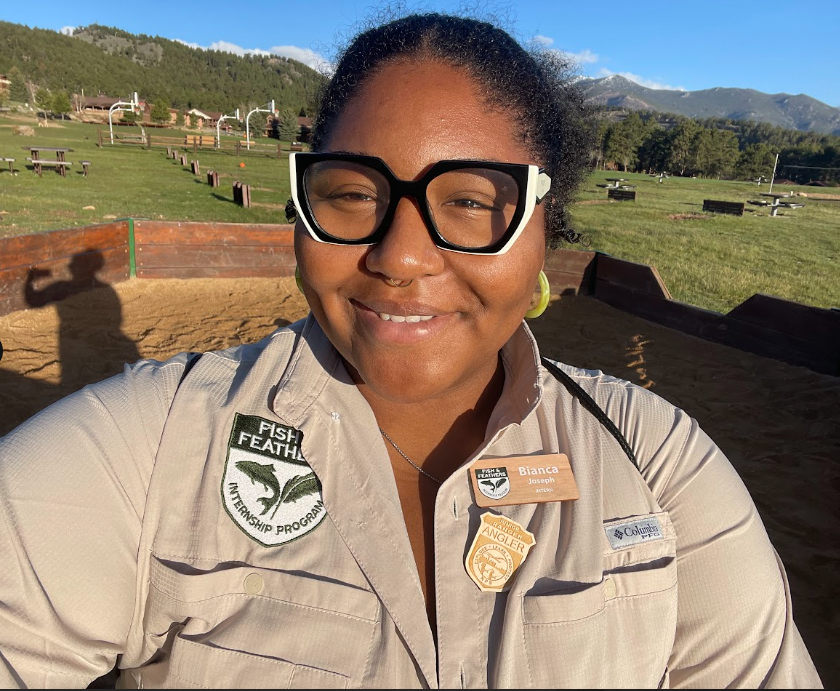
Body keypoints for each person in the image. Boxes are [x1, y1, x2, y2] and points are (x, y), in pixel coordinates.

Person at [0, 14, 821, 689]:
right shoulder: (143, 449)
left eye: (469, 200)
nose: (400, 257)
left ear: (545, 228)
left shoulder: (658, 464)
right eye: (353, 193)